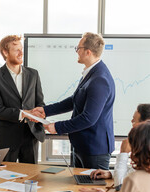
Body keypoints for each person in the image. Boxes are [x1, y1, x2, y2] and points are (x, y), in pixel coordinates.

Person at [32, 32, 115, 169]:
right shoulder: (91, 73)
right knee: (78, 187)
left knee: (92, 188)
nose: (77, 52)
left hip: (94, 149)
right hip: (82, 145)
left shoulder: (99, 79)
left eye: (78, 48)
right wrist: (46, 110)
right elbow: (74, 100)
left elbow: (89, 118)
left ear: (87, 52)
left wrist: (57, 127)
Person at [0, 35, 45, 164]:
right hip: (7, 138)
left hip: (31, 136)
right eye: (16, 50)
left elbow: (40, 102)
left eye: (21, 49)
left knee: (31, 179)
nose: (21, 53)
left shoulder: (33, 74)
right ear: (5, 52)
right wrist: (23, 113)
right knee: (3, 180)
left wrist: (40, 115)